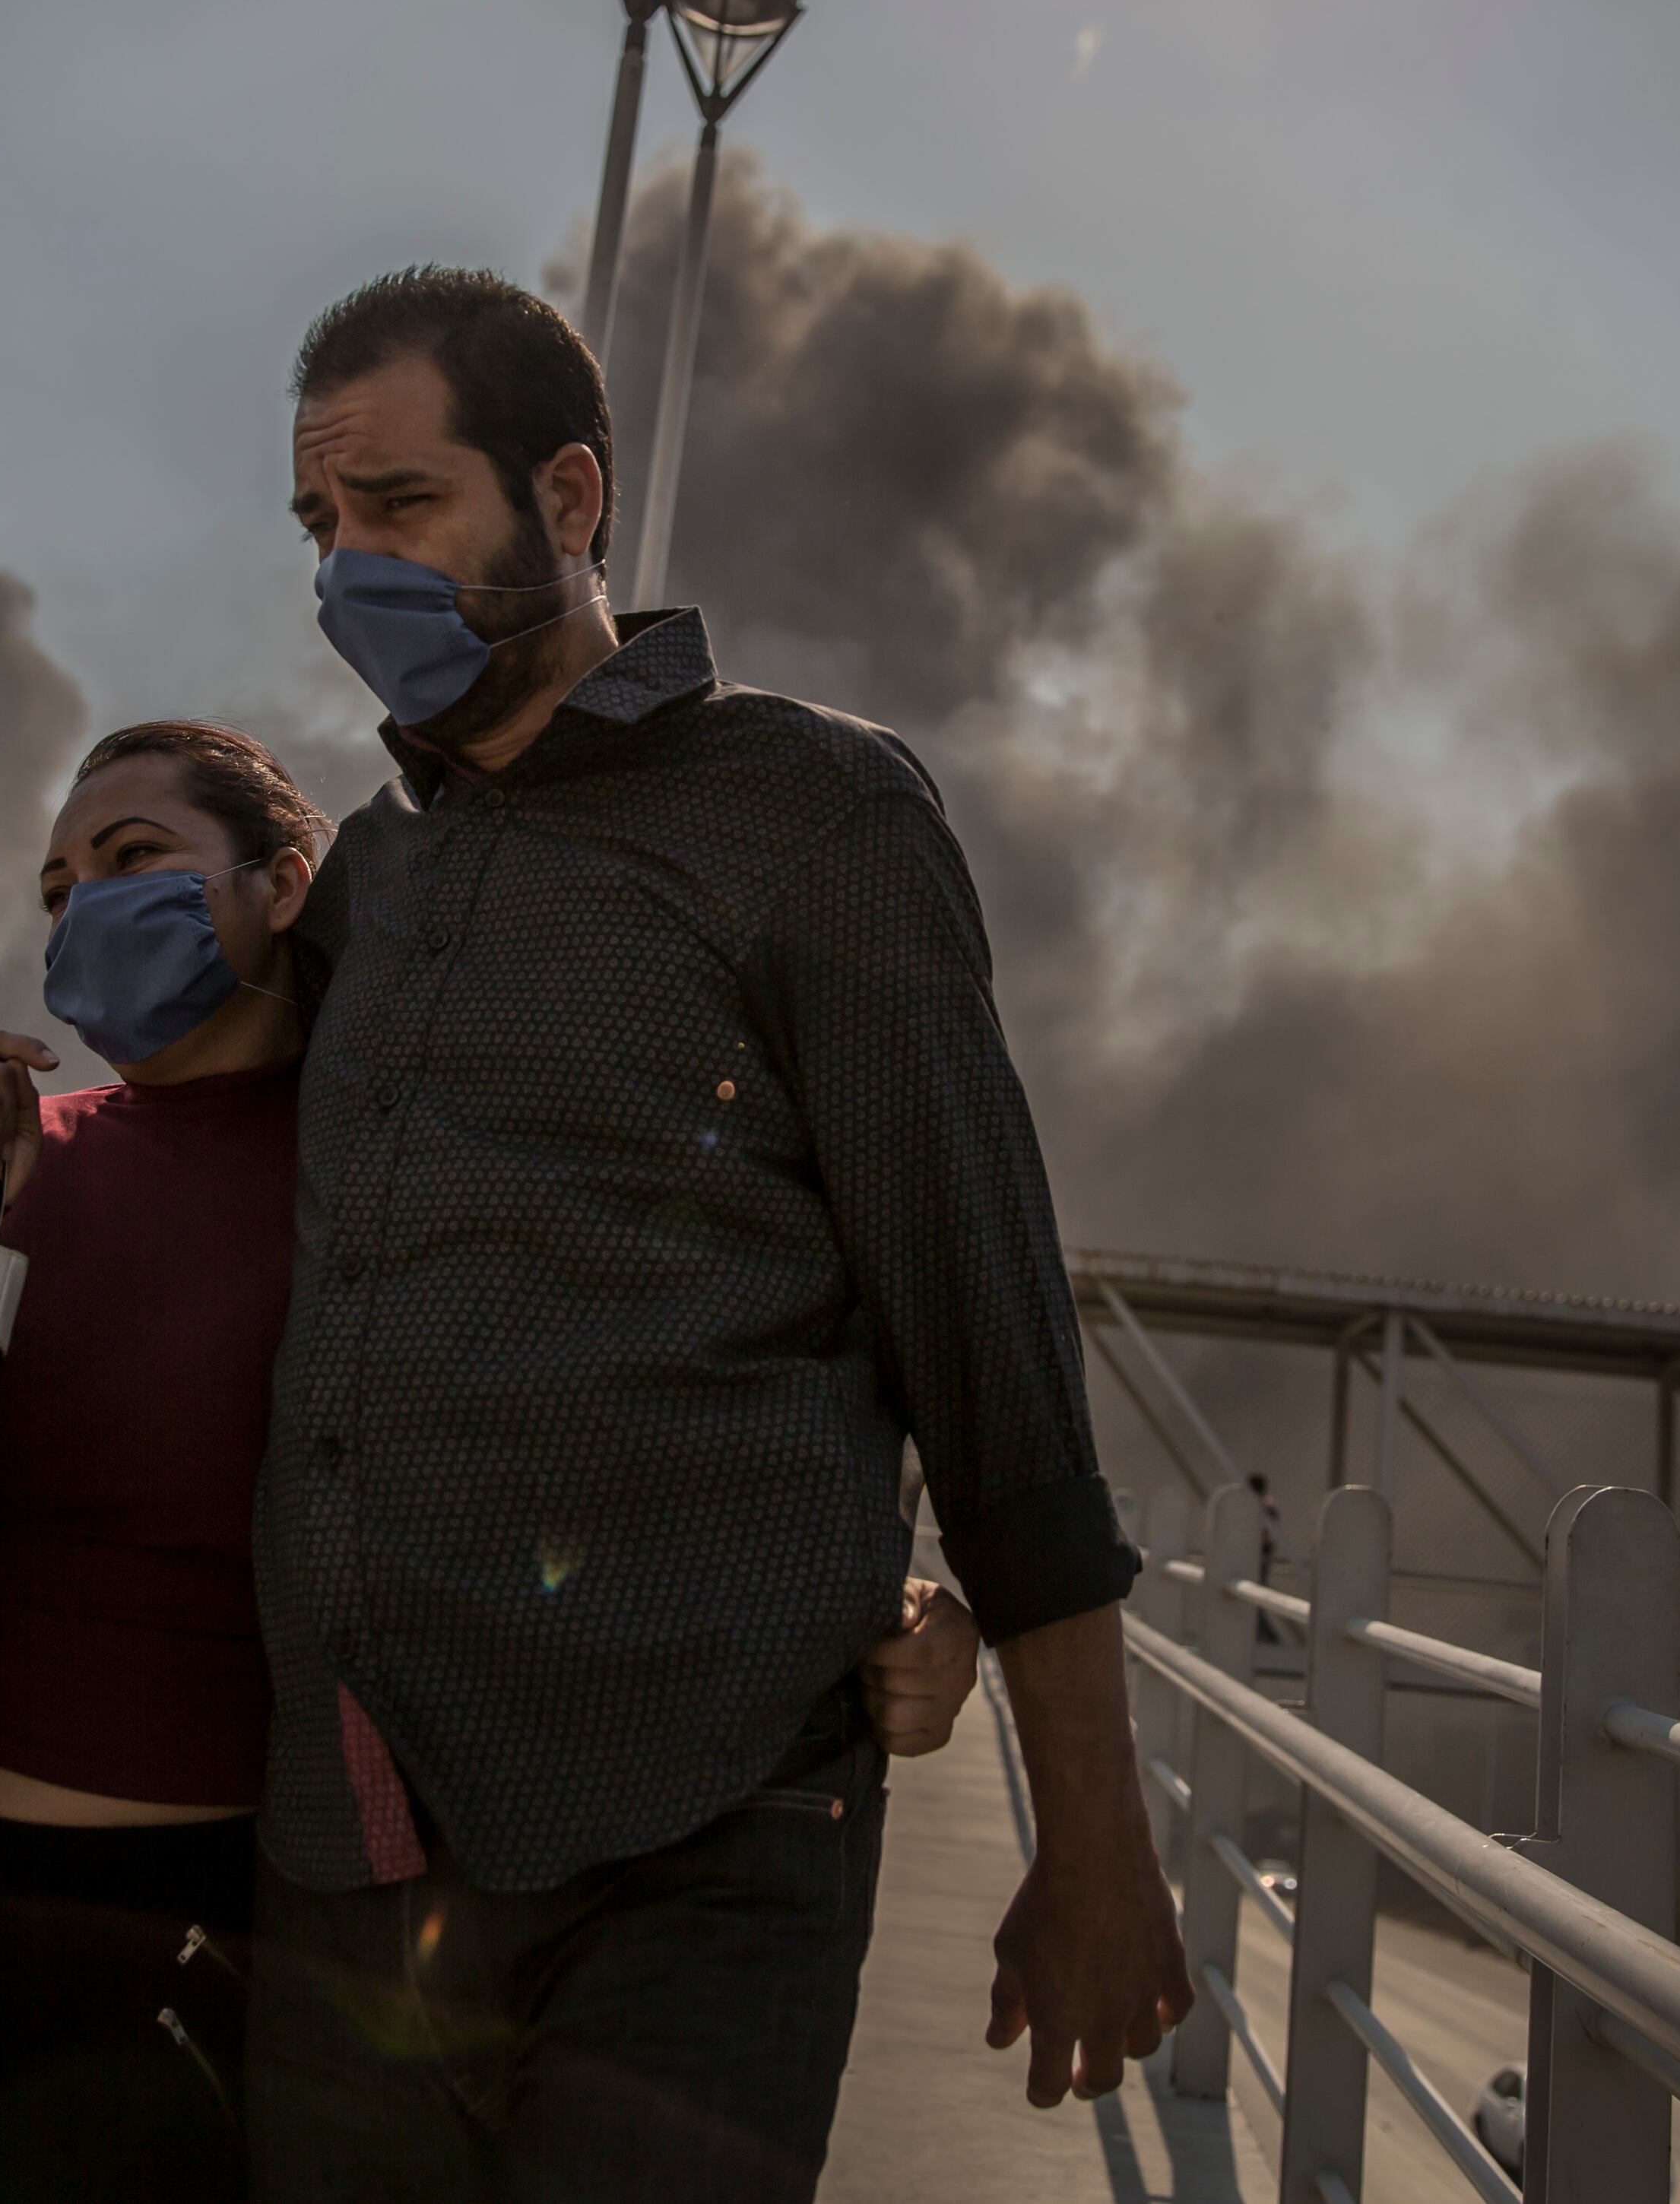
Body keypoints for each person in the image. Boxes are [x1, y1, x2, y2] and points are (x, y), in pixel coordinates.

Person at [0, 718, 999, 2201]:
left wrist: (885, 1594)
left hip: (171, 1927)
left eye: (133, 857)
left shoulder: (393, 1186)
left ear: (287, 882)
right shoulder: (1, 1148)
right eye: (55, 884)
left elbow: (631, 1422)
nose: (84, 903)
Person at [255, 268, 1188, 2200]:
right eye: (319, 525)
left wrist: (1094, 1832)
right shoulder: (375, 878)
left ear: (571, 499)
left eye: (401, 506)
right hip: (351, 1854)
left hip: (699, 1834)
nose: (351, 567)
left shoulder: (811, 814)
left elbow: (987, 1337)